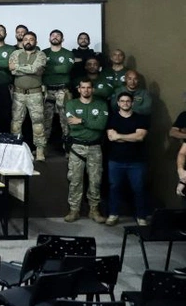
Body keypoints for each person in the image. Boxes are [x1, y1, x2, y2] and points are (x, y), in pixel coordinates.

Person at [64, 79, 108, 223]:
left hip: (95, 146)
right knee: (75, 180)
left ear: (92, 89)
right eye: (83, 87)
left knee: (95, 180)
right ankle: (74, 210)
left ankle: (94, 210)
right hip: (77, 146)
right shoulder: (71, 104)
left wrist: (82, 121)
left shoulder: (101, 104)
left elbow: (101, 125)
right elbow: (73, 126)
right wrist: (89, 124)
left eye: (89, 87)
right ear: (79, 89)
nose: (86, 90)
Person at [105, 91, 150, 226]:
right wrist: (130, 137)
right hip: (115, 161)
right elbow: (111, 137)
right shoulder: (112, 118)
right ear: (118, 103)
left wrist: (120, 136)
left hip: (136, 161)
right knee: (114, 188)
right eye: (122, 101)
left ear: (132, 103)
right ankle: (113, 214)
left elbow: (140, 136)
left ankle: (141, 216)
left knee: (139, 189)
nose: (125, 103)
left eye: (128, 101)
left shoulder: (141, 119)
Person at [9, 31, 48, 160]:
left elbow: (35, 69)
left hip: (35, 94)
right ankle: (16, 150)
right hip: (18, 94)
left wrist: (19, 67)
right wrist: (28, 69)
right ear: (22, 41)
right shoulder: (15, 53)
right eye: (26, 39)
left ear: (36, 42)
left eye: (31, 39)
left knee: (38, 123)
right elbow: (12, 70)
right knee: (16, 124)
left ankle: (39, 150)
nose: (28, 41)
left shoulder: (41, 54)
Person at [43, 29, 74, 143]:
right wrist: (56, 69)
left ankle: (67, 148)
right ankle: (43, 148)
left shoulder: (68, 53)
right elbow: (40, 70)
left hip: (62, 90)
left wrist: (48, 68)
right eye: (53, 35)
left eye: (58, 35)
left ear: (62, 39)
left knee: (65, 120)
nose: (55, 37)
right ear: (49, 38)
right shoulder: (44, 53)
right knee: (45, 120)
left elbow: (66, 69)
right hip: (47, 90)